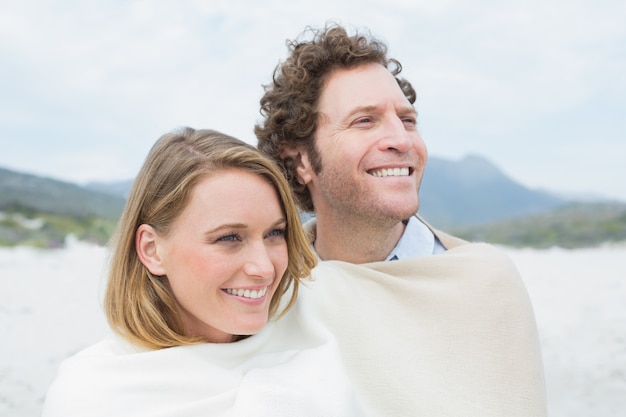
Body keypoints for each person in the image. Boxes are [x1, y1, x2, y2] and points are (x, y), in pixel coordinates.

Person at [255, 23, 548, 416]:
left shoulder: (486, 283)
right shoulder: (272, 294)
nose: (402, 140)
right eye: (365, 121)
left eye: (407, 120)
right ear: (301, 160)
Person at [42, 128, 364, 416]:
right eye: (229, 238)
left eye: (274, 234)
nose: (264, 268)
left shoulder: (317, 341)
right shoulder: (91, 397)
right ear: (152, 250)